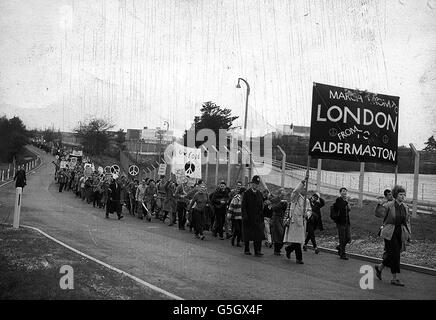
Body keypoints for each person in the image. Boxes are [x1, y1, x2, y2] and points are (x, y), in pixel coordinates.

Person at [374, 185, 411, 287]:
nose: (403, 196)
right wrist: (379, 205)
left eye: (404, 195)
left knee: (392, 254)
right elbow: (379, 214)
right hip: (389, 232)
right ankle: (394, 278)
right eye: (400, 194)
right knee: (395, 255)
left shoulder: (405, 207)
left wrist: (409, 235)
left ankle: (380, 267)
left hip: (400, 232)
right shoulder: (389, 205)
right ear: (395, 195)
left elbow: (407, 222)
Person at [283, 180, 310, 264]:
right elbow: (295, 191)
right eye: (302, 189)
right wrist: (302, 182)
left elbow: (310, 210)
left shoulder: (306, 201)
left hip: (301, 222)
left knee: (298, 240)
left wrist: (307, 214)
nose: (303, 191)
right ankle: (299, 258)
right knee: (297, 241)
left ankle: (289, 249)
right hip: (294, 222)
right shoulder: (294, 197)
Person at [241, 175, 265, 257]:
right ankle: (247, 249)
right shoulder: (247, 193)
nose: (256, 185)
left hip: (257, 218)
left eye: (257, 184)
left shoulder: (259, 194)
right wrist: (245, 216)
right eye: (254, 184)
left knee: (258, 235)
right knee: (248, 234)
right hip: (249, 217)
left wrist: (262, 217)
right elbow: (243, 206)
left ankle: (257, 250)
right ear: (251, 184)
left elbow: (261, 206)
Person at [332, 187, 351, 260]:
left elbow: (349, 209)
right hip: (340, 222)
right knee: (342, 239)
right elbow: (340, 206)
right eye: (343, 191)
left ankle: (340, 246)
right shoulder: (338, 200)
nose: (345, 192)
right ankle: (342, 254)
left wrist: (348, 203)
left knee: (348, 238)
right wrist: (346, 201)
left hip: (347, 222)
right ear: (340, 192)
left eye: (346, 191)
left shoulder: (346, 200)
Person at [270, 188, 288, 256]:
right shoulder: (275, 199)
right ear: (279, 194)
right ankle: (276, 250)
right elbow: (274, 208)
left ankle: (278, 249)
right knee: (279, 234)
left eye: (284, 195)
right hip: (276, 218)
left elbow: (284, 210)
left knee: (282, 234)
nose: (283, 196)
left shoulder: (284, 201)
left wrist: (285, 204)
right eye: (282, 195)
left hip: (282, 218)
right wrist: (280, 203)